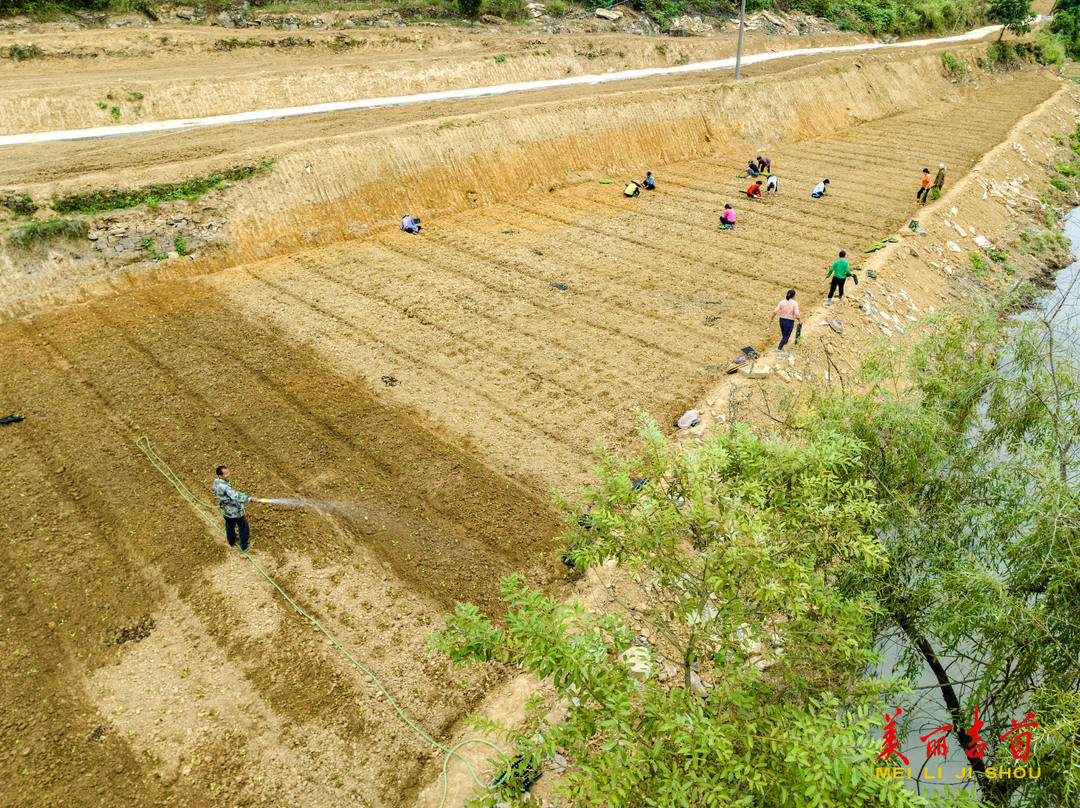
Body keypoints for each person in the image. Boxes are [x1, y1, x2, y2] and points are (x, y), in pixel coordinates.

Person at [213, 465, 261, 552]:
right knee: (243, 527)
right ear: (220, 476)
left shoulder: (216, 482)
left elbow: (214, 493)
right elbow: (236, 497)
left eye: (228, 472)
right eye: (226, 474)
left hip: (225, 510)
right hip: (235, 512)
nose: (228, 474)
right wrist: (250, 499)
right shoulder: (226, 487)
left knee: (229, 525)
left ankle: (231, 542)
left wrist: (223, 498)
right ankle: (244, 547)